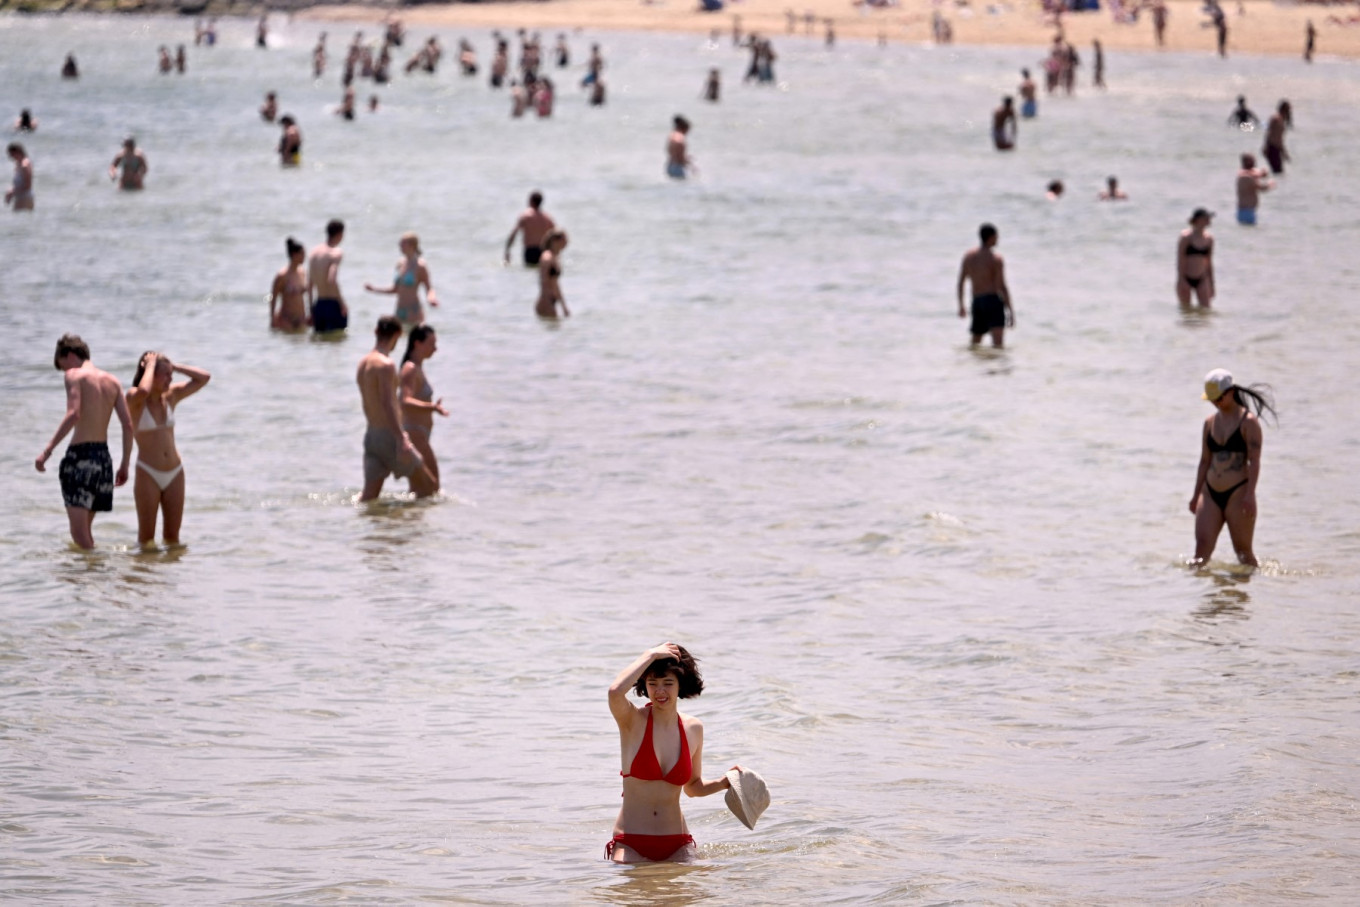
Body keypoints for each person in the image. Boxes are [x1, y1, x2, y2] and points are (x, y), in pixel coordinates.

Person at [606, 643, 736, 863]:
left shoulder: (693, 728)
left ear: (680, 685)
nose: (660, 691)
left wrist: (724, 782)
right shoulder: (632, 721)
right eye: (652, 683)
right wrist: (650, 654)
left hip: (678, 843)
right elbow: (615, 691)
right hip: (631, 842)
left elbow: (693, 788)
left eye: (668, 683)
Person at [34, 334, 133, 550]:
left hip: (81, 459)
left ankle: (96, 575)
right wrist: (125, 464)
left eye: (62, 366)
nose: (64, 372)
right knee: (85, 534)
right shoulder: (113, 381)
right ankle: (90, 581)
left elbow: (73, 414)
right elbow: (128, 425)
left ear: (69, 355)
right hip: (103, 461)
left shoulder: (74, 375)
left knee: (79, 536)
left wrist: (47, 451)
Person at [1190, 369, 1276, 567]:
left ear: (1230, 392)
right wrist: (1196, 496)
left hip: (1238, 493)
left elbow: (1254, 461)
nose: (1215, 403)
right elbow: (1204, 461)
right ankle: (1199, 596)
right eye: (1212, 399)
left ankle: (1246, 596)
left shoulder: (1249, 422)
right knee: (1200, 554)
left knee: (1244, 554)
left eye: (1219, 398)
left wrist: (1250, 495)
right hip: (1210, 494)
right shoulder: (1209, 423)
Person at [124, 352, 210, 547]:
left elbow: (204, 378)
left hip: (175, 472)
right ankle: (145, 575)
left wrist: (175, 366)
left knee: (173, 539)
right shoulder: (135, 399)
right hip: (148, 472)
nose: (171, 379)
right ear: (150, 373)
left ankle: (169, 577)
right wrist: (151, 364)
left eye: (171, 375)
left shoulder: (171, 396)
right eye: (166, 374)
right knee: (146, 541)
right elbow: (144, 391)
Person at [358, 316, 437, 502]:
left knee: (368, 499)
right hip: (389, 437)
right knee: (429, 489)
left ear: (375, 332)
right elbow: (388, 403)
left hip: (371, 436)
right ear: (398, 335)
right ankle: (411, 529)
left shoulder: (362, 364)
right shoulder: (386, 365)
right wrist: (401, 438)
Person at [399, 325, 449, 491]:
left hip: (421, 434)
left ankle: (411, 516)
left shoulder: (417, 368)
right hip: (414, 433)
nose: (435, 348)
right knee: (431, 486)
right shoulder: (410, 368)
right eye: (431, 343)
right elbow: (404, 401)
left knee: (422, 489)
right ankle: (411, 516)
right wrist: (432, 407)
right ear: (417, 343)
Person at [956, 223, 1013, 348]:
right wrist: (1011, 312)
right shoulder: (996, 259)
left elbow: (961, 282)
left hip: (977, 302)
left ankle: (973, 366)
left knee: (975, 344)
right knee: (998, 346)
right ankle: (995, 367)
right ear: (991, 237)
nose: (998, 239)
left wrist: (961, 305)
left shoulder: (968, 257)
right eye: (997, 237)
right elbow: (1002, 286)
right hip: (992, 301)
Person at [365, 232, 439, 326]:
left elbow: (429, 288)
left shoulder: (420, 265)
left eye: (403, 243)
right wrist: (374, 289)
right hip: (399, 312)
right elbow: (395, 290)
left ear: (412, 245)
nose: (400, 245)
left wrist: (431, 298)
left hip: (413, 312)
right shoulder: (400, 264)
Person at [309, 219, 349, 333]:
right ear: (340, 234)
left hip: (319, 304)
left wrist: (311, 309)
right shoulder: (335, 253)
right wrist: (342, 303)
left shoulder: (314, 253)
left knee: (320, 343)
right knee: (337, 342)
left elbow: (309, 284)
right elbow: (332, 279)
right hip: (333, 304)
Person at [269, 237, 312, 330]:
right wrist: (272, 318)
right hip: (286, 319)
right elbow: (273, 297)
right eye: (302, 254)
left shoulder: (303, 273)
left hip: (301, 318)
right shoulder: (282, 275)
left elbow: (308, 294)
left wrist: (311, 314)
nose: (304, 256)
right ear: (294, 254)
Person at [504, 191, 557, 267]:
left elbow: (514, 233)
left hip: (530, 251)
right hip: (543, 251)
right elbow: (556, 234)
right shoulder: (547, 218)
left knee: (529, 272)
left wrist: (507, 250)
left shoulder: (526, 216)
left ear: (531, 201)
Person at [1176, 208, 1215, 306]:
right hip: (1186, 277)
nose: (1209, 220)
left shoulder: (1209, 239)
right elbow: (1180, 259)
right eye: (1206, 217)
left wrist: (1212, 284)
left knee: (1206, 311)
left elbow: (1209, 262)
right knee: (1186, 310)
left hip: (1202, 278)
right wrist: (1181, 279)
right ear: (1198, 219)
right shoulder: (1186, 237)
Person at [536, 230, 570, 320]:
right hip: (546, 301)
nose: (567, 242)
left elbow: (556, 284)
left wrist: (563, 306)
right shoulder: (547, 257)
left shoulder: (555, 257)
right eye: (564, 239)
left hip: (552, 301)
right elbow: (543, 280)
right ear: (555, 240)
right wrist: (547, 302)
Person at [1235, 153, 1273, 226]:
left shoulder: (1244, 174)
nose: (1254, 163)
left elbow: (1256, 173)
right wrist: (1270, 184)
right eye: (1252, 161)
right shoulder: (1246, 177)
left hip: (1245, 211)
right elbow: (1261, 188)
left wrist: (1262, 173)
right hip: (1247, 212)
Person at [1262, 101, 1291, 175]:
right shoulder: (1277, 120)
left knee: (1278, 173)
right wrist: (1284, 152)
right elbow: (1274, 136)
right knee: (1279, 173)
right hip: (1273, 149)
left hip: (1274, 148)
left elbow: (1273, 135)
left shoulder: (1278, 119)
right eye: (1289, 110)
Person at [6, 142, 34, 211]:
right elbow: (19, 183)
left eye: (12, 154)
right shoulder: (18, 163)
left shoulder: (24, 164)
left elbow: (28, 186)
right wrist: (11, 191)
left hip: (25, 198)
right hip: (20, 197)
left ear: (18, 152)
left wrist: (12, 192)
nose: (10, 157)